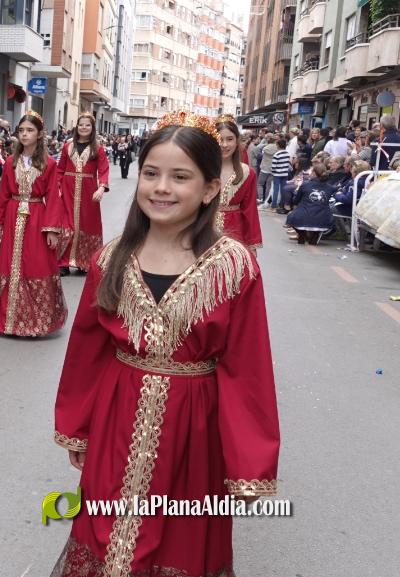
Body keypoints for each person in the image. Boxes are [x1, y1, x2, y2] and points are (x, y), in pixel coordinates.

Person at [51, 112, 279, 577]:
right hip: (117, 413)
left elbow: (248, 368)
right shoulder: (110, 257)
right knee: (104, 529)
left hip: (195, 428)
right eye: (151, 173)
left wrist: (251, 461)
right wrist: (77, 424)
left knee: (181, 540)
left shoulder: (232, 267)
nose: (161, 188)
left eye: (180, 177)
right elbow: (86, 351)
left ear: (210, 189)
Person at [0, 111, 70, 337]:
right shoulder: (11, 162)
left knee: (36, 264)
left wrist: (51, 229)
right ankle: (7, 319)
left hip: (37, 217)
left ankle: (36, 320)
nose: (24, 134)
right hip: (13, 215)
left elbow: (53, 197)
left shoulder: (49, 164)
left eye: (30, 130)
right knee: (9, 265)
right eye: (21, 130)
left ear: (40, 134)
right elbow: (3, 194)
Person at [56, 112, 110, 275]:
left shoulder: (98, 149)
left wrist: (101, 188)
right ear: (76, 127)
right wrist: (57, 187)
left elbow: (104, 170)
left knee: (86, 226)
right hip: (67, 190)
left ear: (92, 128)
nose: (84, 127)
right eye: (81, 124)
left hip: (88, 193)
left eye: (87, 125)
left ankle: (83, 262)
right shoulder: (67, 146)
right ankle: (62, 263)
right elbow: (60, 169)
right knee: (66, 225)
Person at [214, 116, 262, 251]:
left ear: (236, 141)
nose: (224, 144)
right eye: (219, 139)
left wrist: (252, 245)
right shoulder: (201, 170)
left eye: (229, 139)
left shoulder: (247, 173)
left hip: (235, 234)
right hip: (204, 231)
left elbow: (250, 210)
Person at [286, 161, 336, 245]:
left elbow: (296, 200)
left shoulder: (305, 185)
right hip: (324, 218)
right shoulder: (330, 187)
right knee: (320, 215)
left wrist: (296, 193)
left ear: (314, 173)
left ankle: (302, 235)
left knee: (291, 216)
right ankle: (314, 236)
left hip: (304, 215)